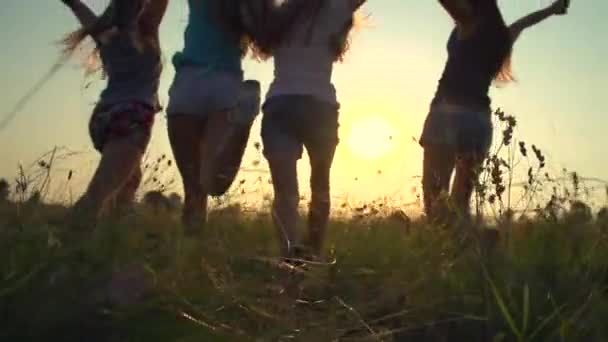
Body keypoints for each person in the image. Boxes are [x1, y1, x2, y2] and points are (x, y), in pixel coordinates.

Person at [420, 0, 570, 221]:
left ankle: (445, 251)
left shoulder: (468, 23)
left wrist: (551, 9)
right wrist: (552, 9)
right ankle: (474, 248)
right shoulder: (502, 38)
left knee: (435, 204)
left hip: (448, 115)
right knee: (460, 207)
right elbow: (525, 22)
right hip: (479, 123)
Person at [258, 0, 367, 260]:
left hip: (280, 105)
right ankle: (312, 257)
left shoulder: (278, 16)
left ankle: (289, 258)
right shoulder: (335, 9)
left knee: (285, 193)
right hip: (319, 108)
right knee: (320, 187)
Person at [166, 0, 276, 232]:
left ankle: (188, 254)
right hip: (226, 85)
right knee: (211, 184)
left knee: (194, 189)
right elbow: (266, 41)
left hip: (189, 81)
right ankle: (243, 121)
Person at [61, 0, 168, 223]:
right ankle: (58, 247)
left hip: (104, 117)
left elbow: (76, 6)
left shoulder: (104, 33)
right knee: (98, 195)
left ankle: (111, 241)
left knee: (128, 183)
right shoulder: (147, 30)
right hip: (132, 117)